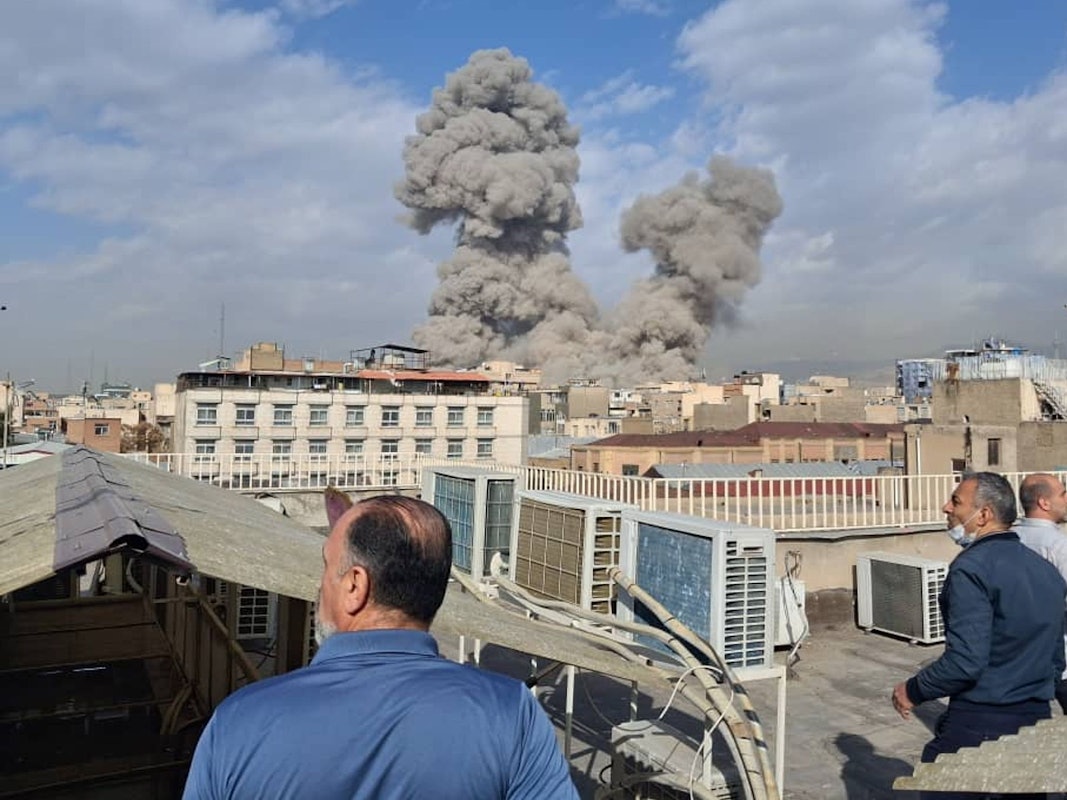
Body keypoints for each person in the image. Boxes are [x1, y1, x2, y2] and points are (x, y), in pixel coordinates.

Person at [183, 495, 579, 800]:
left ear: (355, 586)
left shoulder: (241, 722)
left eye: (326, 566)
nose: (320, 583)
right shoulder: (511, 714)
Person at [891, 472, 1066, 800]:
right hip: (1034, 721)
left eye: (956, 501)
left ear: (984, 514)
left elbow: (965, 662)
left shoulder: (971, 568)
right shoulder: (1046, 571)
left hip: (980, 721)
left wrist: (912, 690)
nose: (946, 507)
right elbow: (1056, 655)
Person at [1017, 472, 1067, 713]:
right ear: (1043, 503)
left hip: (1019, 656)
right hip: (1058, 653)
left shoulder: (1009, 538)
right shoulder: (1059, 545)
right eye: (1063, 494)